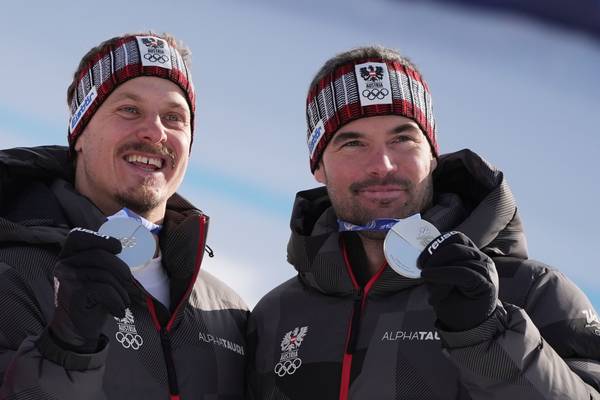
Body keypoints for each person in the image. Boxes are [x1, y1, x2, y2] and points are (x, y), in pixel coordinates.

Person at [247, 46, 600, 399]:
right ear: (319, 166)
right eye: (353, 143)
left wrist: (486, 336)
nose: (383, 165)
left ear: (431, 155)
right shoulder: (275, 317)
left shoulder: (533, 292)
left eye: (402, 139)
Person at [0, 32, 248, 399]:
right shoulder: (14, 273)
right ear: (80, 132)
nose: (155, 132)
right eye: (129, 110)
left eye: (174, 117)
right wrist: (67, 347)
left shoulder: (229, 311)